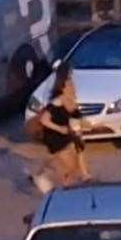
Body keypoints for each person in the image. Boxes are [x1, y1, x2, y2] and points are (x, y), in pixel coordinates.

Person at [31, 62, 86, 194]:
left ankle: (62, 186)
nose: (71, 83)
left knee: (67, 162)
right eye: (69, 78)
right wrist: (60, 129)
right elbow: (44, 120)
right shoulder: (57, 100)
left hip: (62, 133)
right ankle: (45, 179)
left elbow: (74, 114)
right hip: (54, 135)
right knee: (69, 164)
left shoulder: (68, 95)